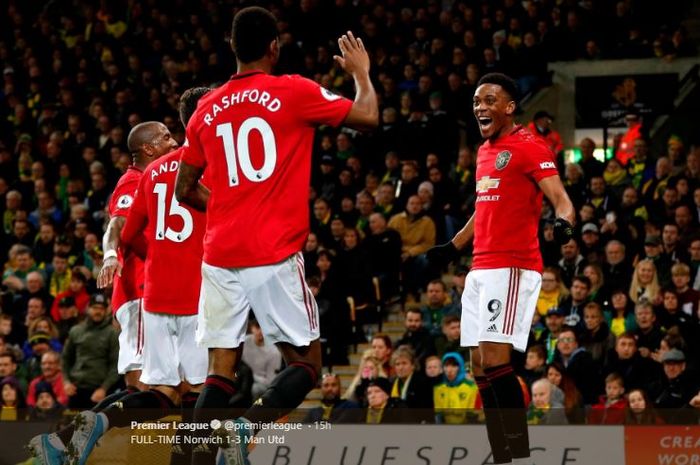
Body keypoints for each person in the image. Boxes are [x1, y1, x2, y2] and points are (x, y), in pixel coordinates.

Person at [174, 8, 378, 464]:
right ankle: (245, 429)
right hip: (271, 252)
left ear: (232, 47)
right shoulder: (292, 90)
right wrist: (361, 73)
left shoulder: (204, 109)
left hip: (219, 253)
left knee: (219, 374)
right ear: (274, 47)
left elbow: (185, 188)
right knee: (306, 365)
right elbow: (368, 116)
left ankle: (192, 459)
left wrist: (226, 205)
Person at [427, 72, 575, 465]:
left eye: (490, 100)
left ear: (510, 107)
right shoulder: (483, 151)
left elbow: (561, 198)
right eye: (477, 101)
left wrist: (564, 223)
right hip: (480, 266)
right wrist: (451, 246)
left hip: (512, 266)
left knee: (496, 361)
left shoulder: (529, 145)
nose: (480, 107)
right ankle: (502, 453)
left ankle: (519, 453)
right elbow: (484, 207)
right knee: (479, 366)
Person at [96, 119, 178, 392]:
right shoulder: (133, 181)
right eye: (166, 138)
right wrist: (109, 254)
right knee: (140, 377)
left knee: (167, 383)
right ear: (149, 149)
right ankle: (86, 429)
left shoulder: (158, 178)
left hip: (160, 289)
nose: (174, 143)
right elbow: (117, 223)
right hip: (140, 289)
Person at [433, 352, 478, 424]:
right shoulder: (438, 389)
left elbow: (473, 417)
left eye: (454, 365)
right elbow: (438, 416)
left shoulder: (472, 388)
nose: (449, 370)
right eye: (446, 365)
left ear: (460, 367)